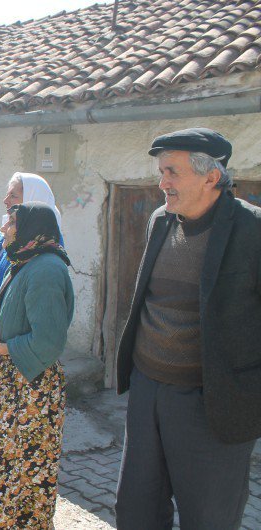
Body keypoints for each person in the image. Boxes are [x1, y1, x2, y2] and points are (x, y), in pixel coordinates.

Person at [114, 128, 261, 530]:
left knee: (208, 518)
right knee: (136, 511)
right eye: (161, 172)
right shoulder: (160, 221)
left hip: (212, 403)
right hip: (148, 393)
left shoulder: (252, 230)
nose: (162, 183)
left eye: (172, 172)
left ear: (212, 176)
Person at [0, 202, 74, 528]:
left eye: (12, 223)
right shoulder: (22, 261)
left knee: (23, 480)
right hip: (11, 389)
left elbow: (47, 342)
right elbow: (6, 319)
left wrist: (0, 347)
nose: (4, 228)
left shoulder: (45, 269)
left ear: (32, 230)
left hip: (29, 394)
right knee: (2, 472)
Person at [0, 173, 63, 433]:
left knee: (18, 442)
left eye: (14, 195)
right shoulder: (11, 240)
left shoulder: (45, 255)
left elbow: (46, 335)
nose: (5, 200)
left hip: (18, 363)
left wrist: (1, 346)